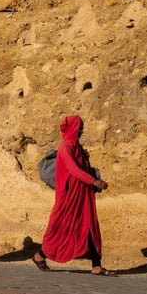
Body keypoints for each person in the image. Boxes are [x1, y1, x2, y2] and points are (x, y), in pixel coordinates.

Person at [33, 115, 115, 276]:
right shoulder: (66, 147)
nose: (82, 130)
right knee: (60, 227)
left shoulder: (77, 147)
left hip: (83, 194)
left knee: (89, 225)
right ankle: (40, 255)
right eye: (80, 127)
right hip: (69, 196)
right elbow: (73, 170)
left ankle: (96, 265)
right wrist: (94, 181)